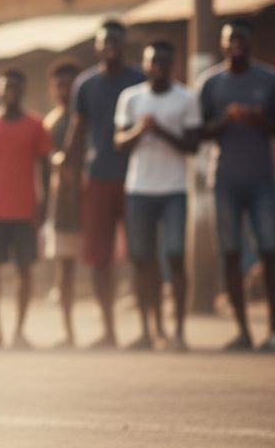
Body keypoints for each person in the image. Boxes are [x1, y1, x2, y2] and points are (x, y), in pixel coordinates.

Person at [198, 20, 275, 350]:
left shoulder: (270, 79)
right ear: (222, 44)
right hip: (224, 181)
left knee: (270, 251)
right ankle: (242, 331)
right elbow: (199, 133)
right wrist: (226, 121)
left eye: (242, 38)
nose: (236, 43)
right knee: (231, 254)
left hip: (262, 179)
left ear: (251, 43)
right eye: (230, 39)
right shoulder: (210, 84)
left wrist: (257, 119)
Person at [115, 40, 201, 351]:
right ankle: (149, 330)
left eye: (164, 62)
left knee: (175, 256)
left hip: (173, 190)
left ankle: (178, 331)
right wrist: (140, 130)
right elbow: (120, 142)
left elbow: (193, 146)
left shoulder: (186, 98)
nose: (158, 67)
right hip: (139, 189)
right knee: (141, 260)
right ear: (145, 64)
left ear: (173, 64)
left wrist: (161, 130)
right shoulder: (131, 98)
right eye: (153, 62)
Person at [64, 20, 143, 348]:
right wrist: (66, 165)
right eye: (104, 40)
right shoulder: (85, 84)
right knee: (100, 259)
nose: (110, 44)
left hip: (136, 178)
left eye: (115, 39)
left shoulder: (139, 80)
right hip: (96, 178)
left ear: (124, 44)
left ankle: (147, 330)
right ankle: (109, 329)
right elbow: (78, 130)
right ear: (97, 46)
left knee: (140, 255)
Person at [0, 69, 52, 349]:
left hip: (25, 212)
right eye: (5, 88)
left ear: (22, 90)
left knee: (24, 271)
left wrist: (44, 206)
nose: (10, 93)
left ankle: (19, 331)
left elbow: (45, 168)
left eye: (15, 88)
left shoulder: (36, 125)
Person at [44, 60, 82, 347]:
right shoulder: (51, 123)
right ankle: (68, 332)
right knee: (64, 270)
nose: (64, 90)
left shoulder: (86, 119)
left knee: (101, 266)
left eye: (70, 85)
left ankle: (110, 330)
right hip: (63, 207)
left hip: (90, 199)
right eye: (60, 85)